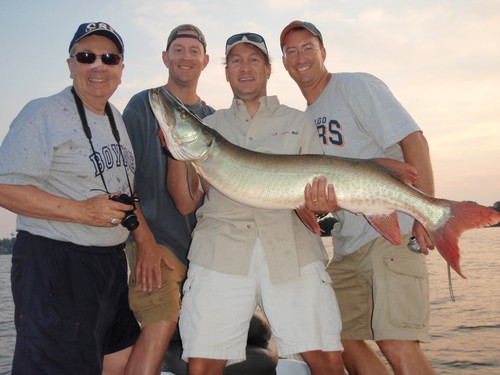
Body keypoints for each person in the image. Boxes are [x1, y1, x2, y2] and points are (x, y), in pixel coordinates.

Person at [167, 32, 345, 375]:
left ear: (268, 69)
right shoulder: (207, 126)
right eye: (235, 60)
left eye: (253, 60)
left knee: (326, 359)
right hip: (220, 250)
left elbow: (320, 207)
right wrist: (175, 150)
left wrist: (321, 204)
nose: (244, 67)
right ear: (226, 71)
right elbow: (185, 203)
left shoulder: (298, 122)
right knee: (203, 364)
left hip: (292, 250)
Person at [281, 20, 437, 375]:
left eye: (307, 47)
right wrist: (319, 208)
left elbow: (414, 141)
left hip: (391, 235)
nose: (300, 56)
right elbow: (326, 203)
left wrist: (426, 213)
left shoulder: (354, 86)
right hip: (348, 248)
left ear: (323, 52)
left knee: (396, 342)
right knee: (340, 340)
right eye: (291, 51)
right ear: (285, 63)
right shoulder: (304, 121)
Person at [0, 22, 140, 374]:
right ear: (70, 64)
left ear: (121, 69)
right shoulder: (42, 113)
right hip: (55, 265)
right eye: (86, 56)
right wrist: (82, 211)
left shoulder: (116, 118)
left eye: (109, 58)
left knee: (119, 359)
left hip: (110, 266)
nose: (98, 66)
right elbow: (4, 186)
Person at [121, 24, 214, 375]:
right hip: (156, 245)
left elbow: (195, 200)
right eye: (178, 49)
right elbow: (120, 181)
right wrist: (145, 242)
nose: (185, 57)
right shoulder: (142, 104)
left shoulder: (213, 119)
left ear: (204, 61)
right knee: (160, 324)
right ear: (165, 57)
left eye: (193, 51)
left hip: (202, 252)